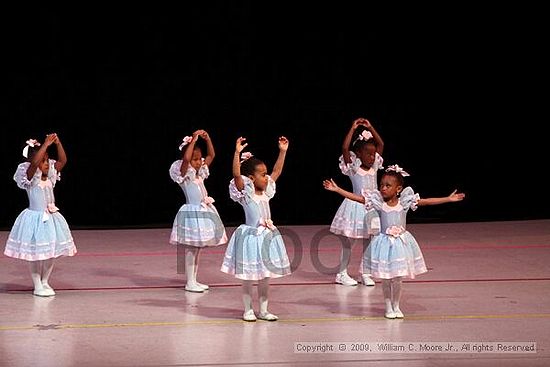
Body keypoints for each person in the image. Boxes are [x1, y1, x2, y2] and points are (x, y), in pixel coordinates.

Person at [323, 164, 465, 319]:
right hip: (383, 244)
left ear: (398, 189)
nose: (383, 188)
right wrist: (338, 190)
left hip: (400, 245)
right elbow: (359, 199)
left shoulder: (404, 203)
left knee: (397, 278)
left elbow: (426, 201)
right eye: (381, 185)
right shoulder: (379, 203)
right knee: (386, 278)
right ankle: (388, 306)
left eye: (388, 186)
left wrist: (448, 199)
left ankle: (396, 305)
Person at [221, 136, 291, 321]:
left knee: (265, 276)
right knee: (248, 276)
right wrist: (236, 153)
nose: (267, 177)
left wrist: (282, 151)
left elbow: (276, 171)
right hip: (250, 237)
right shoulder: (246, 193)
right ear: (251, 178)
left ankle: (264, 310)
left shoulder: (266, 192)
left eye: (266, 174)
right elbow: (237, 175)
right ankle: (248, 309)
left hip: (267, 237)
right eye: (262, 174)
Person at [4, 134, 77, 297]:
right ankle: (37, 284)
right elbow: (35, 162)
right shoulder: (29, 174)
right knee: (35, 254)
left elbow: (63, 161)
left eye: (47, 159)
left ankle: (45, 281)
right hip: (35, 219)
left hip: (51, 219)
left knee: (50, 252)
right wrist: (44, 145)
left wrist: (57, 144)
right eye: (43, 160)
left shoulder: (50, 174)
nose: (46, 163)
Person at [169, 129, 228, 293]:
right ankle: (189, 281)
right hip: (192, 213)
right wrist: (193, 140)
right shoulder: (183, 173)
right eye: (195, 159)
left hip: (203, 212)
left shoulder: (199, 173)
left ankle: (194, 279)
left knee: (198, 248)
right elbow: (187, 159)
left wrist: (208, 139)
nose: (198, 162)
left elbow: (211, 156)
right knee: (191, 248)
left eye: (199, 159)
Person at [330, 118, 384, 287]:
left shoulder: (375, 166)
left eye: (373, 154)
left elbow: (381, 144)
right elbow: (345, 148)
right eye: (368, 153)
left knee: (370, 240)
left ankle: (366, 272)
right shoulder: (353, 167)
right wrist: (353, 128)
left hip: (372, 208)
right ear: (358, 154)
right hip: (355, 206)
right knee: (350, 241)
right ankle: (342, 273)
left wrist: (371, 127)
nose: (372, 156)